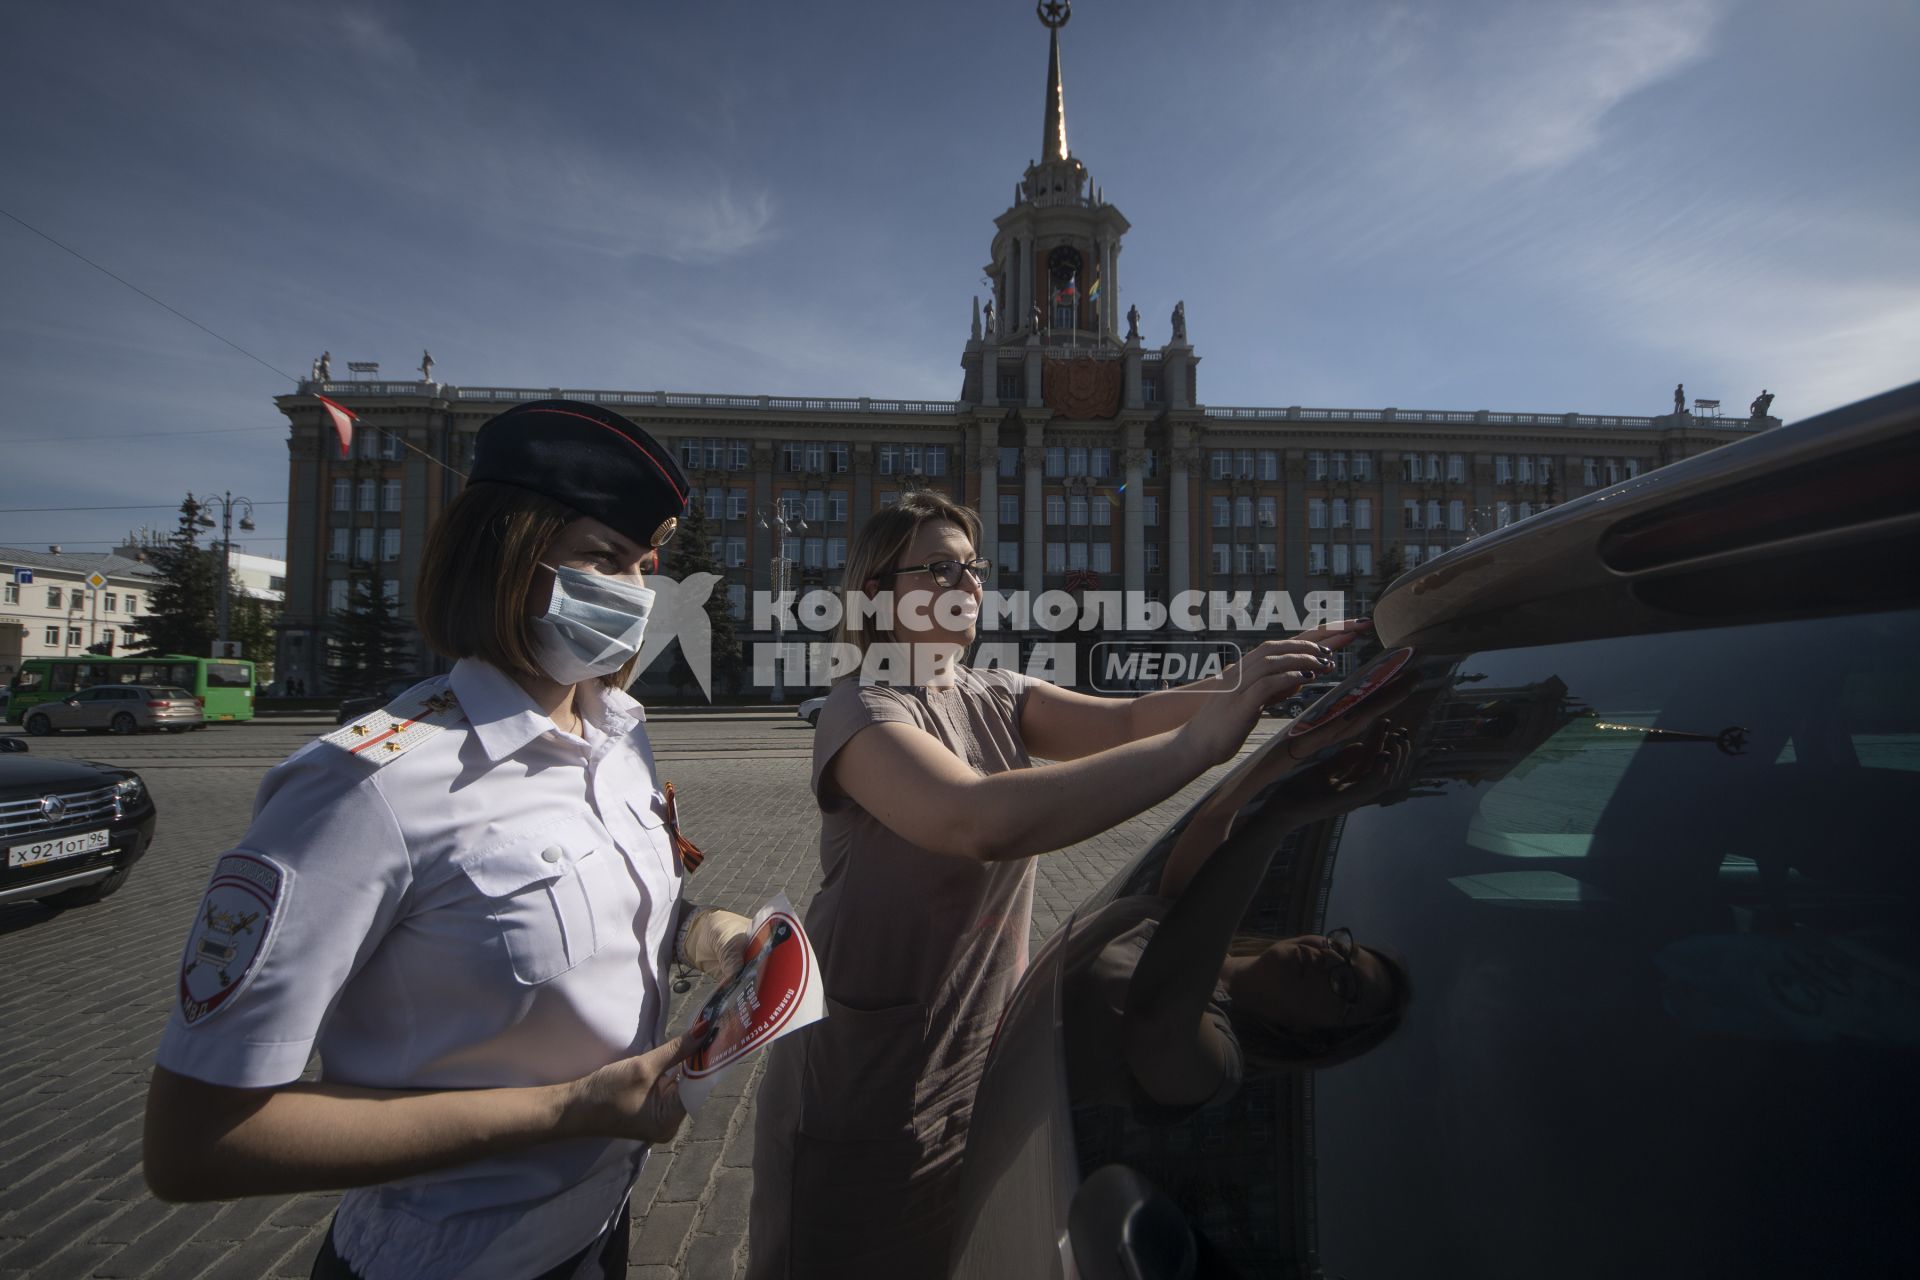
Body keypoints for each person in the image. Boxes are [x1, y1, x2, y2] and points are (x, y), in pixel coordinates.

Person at [142, 399, 755, 1280]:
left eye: (643, 567)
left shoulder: (614, 734)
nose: (632, 593)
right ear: (510, 551)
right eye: (603, 559)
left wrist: (711, 933)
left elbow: (599, 901)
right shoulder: (365, 786)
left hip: (601, 1228)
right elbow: (196, 1144)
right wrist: (568, 1110)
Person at [746, 491, 1362, 1278]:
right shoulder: (862, 706)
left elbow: (1131, 722)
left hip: (971, 1066)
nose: (965, 581)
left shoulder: (994, 692)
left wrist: (1247, 676)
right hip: (859, 1088)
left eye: (972, 566)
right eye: (938, 567)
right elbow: (976, 821)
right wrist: (1204, 744)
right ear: (875, 591)